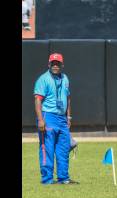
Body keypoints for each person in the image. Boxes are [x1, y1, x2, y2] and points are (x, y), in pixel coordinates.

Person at [34, 53, 79, 184]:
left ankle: (63, 178)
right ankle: (47, 179)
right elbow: (37, 100)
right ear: (49, 64)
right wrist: (41, 119)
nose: (55, 66)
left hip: (62, 118)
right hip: (48, 116)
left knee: (64, 149)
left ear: (62, 65)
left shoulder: (65, 78)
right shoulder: (43, 79)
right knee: (46, 148)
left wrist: (68, 116)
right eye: (53, 63)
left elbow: (68, 98)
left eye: (57, 63)